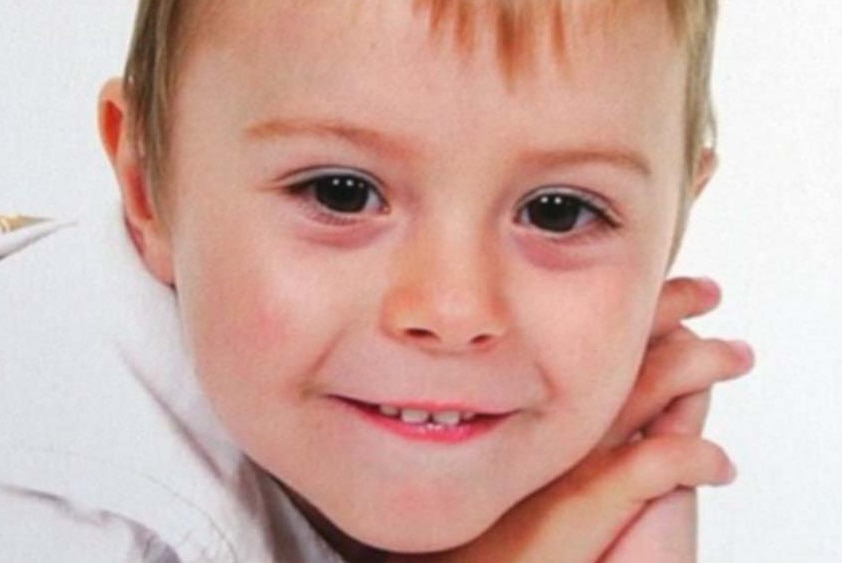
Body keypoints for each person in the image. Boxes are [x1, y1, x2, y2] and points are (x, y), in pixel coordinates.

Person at [0, 0, 753, 560]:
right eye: (340, 192)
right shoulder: (63, 506)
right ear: (147, 188)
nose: (454, 309)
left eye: (559, 211)